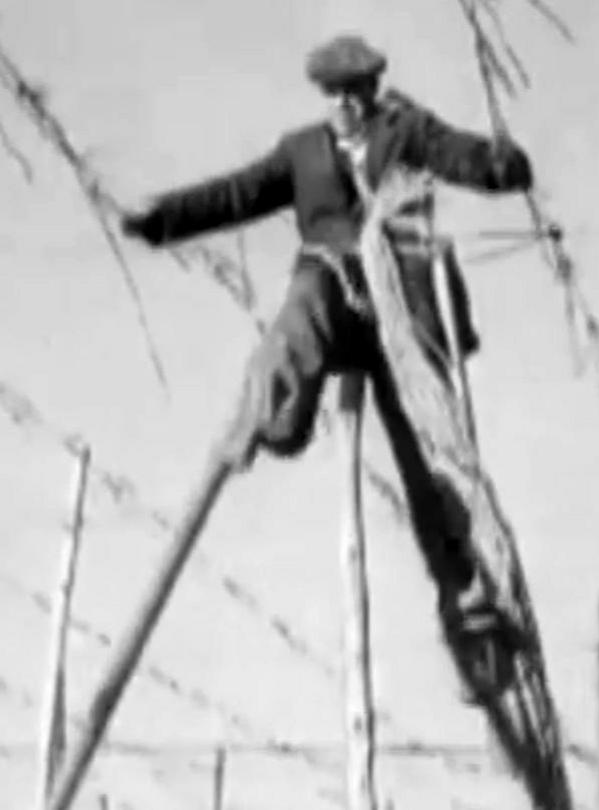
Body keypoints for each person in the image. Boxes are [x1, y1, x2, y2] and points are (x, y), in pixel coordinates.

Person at [118, 34, 533, 626]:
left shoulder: (408, 131)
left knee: (427, 448)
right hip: (335, 285)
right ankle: (274, 423)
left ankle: (465, 589)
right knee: (296, 319)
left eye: (356, 92)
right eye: (335, 95)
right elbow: (237, 193)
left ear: (372, 90)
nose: (347, 105)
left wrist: (501, 165)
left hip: (401, 305)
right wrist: (163, 218)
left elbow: (463, 158)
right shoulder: (303, 151)